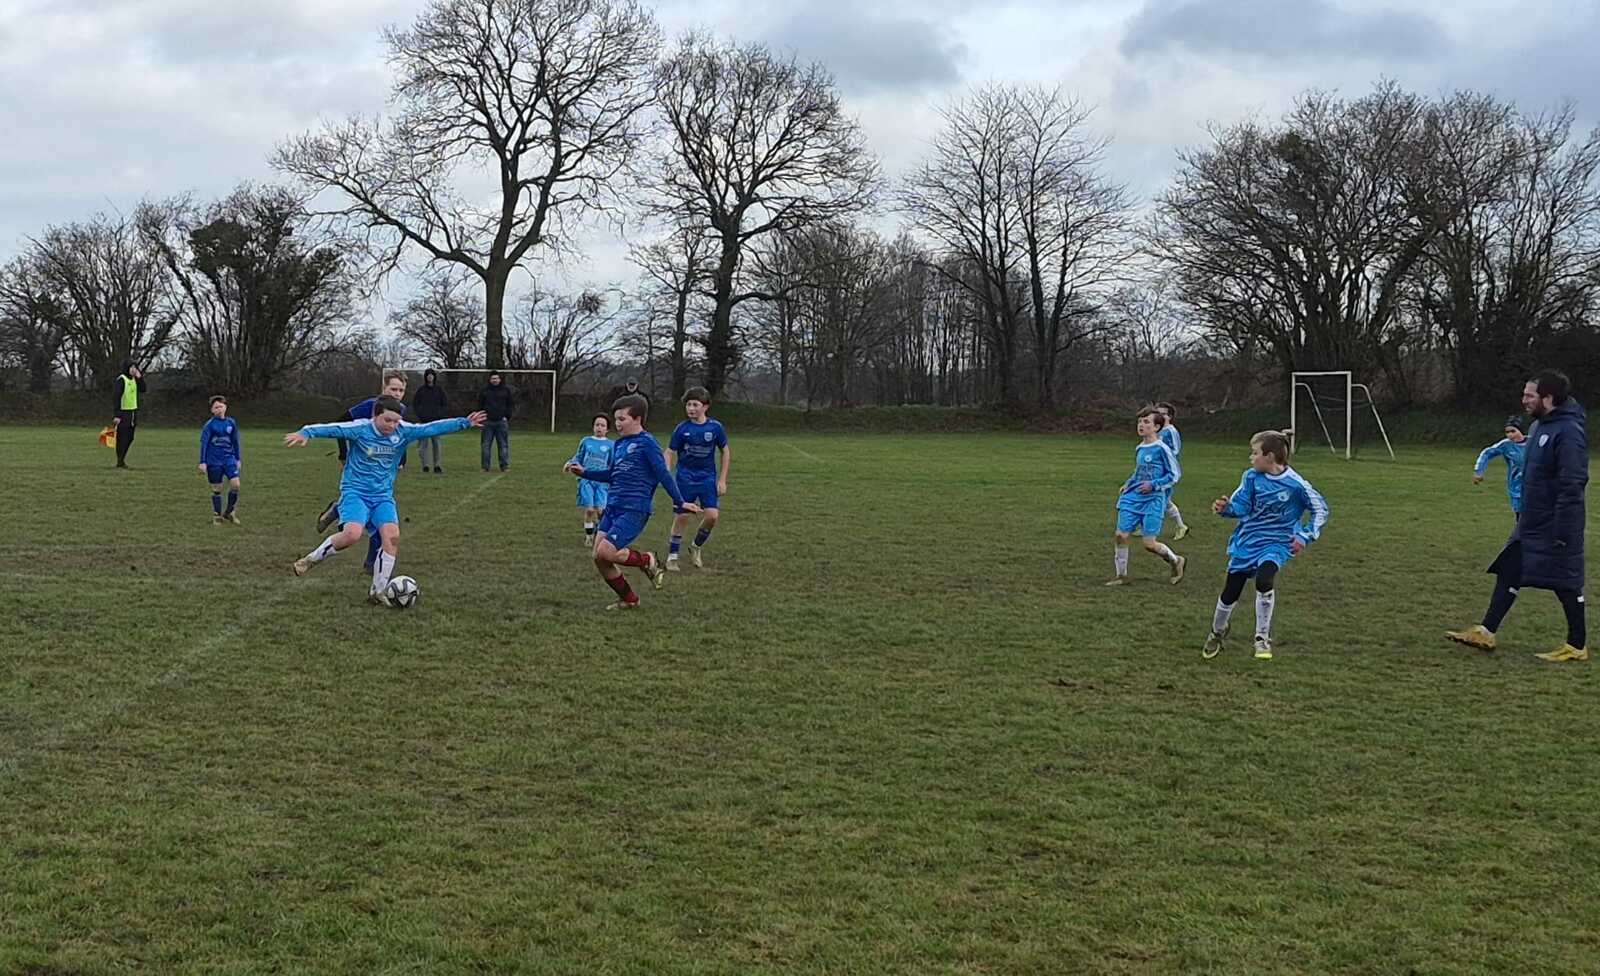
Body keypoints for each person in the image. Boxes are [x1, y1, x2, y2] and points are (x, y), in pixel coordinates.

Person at [1447, 371, 1590, 662]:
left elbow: (1573, 483)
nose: (1523, 400)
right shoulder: (1538, 426)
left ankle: (1577, 646)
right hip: (1531, 520)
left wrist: (1563, 527)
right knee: (1510, 568)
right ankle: (1486, 631)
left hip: (1556, 523)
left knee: (1566, 581)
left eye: (1529, 395)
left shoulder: (1569, 432)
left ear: (1548, 398)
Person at [286, 397, 487, 603]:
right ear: (375, 416)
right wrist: (307, 432)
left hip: (382, 496)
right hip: (355, 493)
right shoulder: (360, 429)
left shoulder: (403, 431)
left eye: (396, 421)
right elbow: (334, 429)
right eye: (388, 420)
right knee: (352, 534)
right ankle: (311, 559)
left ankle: (378, 591)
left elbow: (430, 428)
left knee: (392, 537)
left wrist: (464, 422)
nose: (392, 425)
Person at [1202, 430, 1330, 661]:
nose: (1251, 458)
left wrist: (1305, 536)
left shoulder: (1296, 485)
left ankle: (1262, 638)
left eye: (1255, 453)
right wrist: (1226, 509)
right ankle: (1217, 631)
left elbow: (1320, 509)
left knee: (1264, 579)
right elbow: (1242, 506)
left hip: (1277, 542)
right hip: (1248, 540)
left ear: (1269, 457)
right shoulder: (1251, 478)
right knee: (1231, 591)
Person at [564, 394, 700, 609]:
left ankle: (647, 560)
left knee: (606, 552)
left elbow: (663, 474)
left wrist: (680, 501)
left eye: (622, 419)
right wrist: (584, 472)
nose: (617, 424)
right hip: (613, 506)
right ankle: (629, 599)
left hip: (634, 508)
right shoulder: (619, 444)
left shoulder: (647, 443)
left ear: (637, 419)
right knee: (599, 557)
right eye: (616, 419)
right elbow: (613, 474)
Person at [316, 372, 413, 571]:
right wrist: (343, 454)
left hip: (384, 466)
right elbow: (341, 422)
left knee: (380, 514)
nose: (397, 394)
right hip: (360, 463)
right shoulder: (369, 406)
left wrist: (402, 459)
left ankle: (369, 560)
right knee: (366, 509)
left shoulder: (401, 410)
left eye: (401, 390)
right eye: (393, 389)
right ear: (383, 388)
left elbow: (401, 437)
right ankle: (369, 561)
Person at [1107, 405, 1186, 586]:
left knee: (1149, 544)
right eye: (1140, 422)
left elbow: (1174, 475)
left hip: (1153, 499)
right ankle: (1121, 576)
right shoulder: (1140, 448)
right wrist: (1129, 483)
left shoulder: (1162, 448)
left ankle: (1176, 561)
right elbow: (1139, 471)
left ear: (1156, 427)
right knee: (1120, 535)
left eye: (1146, 422)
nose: (1141, 425)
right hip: (1133, 497)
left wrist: (1153, 485)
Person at [665, 386, 730, 571]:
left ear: (705, 407)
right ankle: (672, 557)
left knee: (712, 516)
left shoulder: (715, 427)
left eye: (695, 405)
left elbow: (725, 451)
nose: (691, 408)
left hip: (707, 478)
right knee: (682, 516)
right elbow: (669, 451)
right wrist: (667, 472)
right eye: (688, 405)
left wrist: (722, 480)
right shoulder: (682, 429)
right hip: (685, 478)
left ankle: (696, 547)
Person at [566, 413, 614, 548]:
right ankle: (589, 536)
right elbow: (578, 457)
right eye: (597, 425)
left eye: (602, 425)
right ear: (593, 427)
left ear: (607, 429)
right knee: (589, 510)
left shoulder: (611, 445)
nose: (599, 428)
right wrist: (570, 463)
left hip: (602, 482)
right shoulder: (586, 441)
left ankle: (599, 532)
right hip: (586, 480)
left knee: (601, 510)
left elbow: (612, 463)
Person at [198, 395, 242, 525]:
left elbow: (235, 441)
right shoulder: (209, 425)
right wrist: (202, 462)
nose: (219, 409)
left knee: (236, 485)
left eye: (221, 406)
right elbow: (204, 444)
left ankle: (229, 512)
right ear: (212, 410)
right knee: (217, 489)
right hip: (214, 461)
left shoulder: (231, 423)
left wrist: (238, 458)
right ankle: (217, 515)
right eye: (216, 407)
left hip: (229, 459)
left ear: (225, 407)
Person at [1473, 416, 1528, 517]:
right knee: (1521, 518)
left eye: (1513, 431)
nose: (1510, 435)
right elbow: (1487, 453)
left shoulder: (1534, 442)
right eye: (1507, 432)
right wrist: (1478, 471)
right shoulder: (1506, 445)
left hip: (1537, 486)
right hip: (1516, 488)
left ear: (1521, 431)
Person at [1156, 401, 1190, 540]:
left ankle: (1181, 526)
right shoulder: (1157, 430)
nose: (1160, 416)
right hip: (1157, 469)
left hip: (1167, 471)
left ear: (1169, 416)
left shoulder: (1171, 431)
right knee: (1160, 499)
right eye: (1158, 413)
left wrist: (1166, 462)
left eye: (1163, 414)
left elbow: (1175, 450)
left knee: (1163, 500)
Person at [111, 360, 147, 468]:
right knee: (122, 437)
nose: (133, 369)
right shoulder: (121, 380)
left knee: (130, 437)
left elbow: (143, 389)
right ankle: (120, 460)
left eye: (135, 367)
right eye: (131, 367)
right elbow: (116, 398)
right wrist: (117, 415)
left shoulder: (135, 379)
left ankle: (121, 459)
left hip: (133, 412)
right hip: (123, 413)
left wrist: (140, 378)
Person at [413, 368, 449, 473]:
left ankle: (437, 465)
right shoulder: (421, 390)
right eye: (428, 375)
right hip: (423, 422)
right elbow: (415, 404)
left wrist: (439, 414)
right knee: (423, 445)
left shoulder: (439, 390)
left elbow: (445, 404)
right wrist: (420, 414)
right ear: (425, 377)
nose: (430, 377)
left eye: (431, 375)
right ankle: (425, 465)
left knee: (437, 444)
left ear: (434, 377)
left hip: (436, 422)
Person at [478, 370, 514, 472]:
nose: (495, 380)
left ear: (499, 379)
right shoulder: (484, 391)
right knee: (485, 445)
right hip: (488, 422)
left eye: (496, 378)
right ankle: (485, 467)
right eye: (493, 378)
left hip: (501, 422)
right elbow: (480, 405)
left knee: (503, 445)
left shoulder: (505, 390)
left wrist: (507, 416)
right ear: (490, 380)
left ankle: (504, 466)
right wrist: (482, 417)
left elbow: (510, 404)